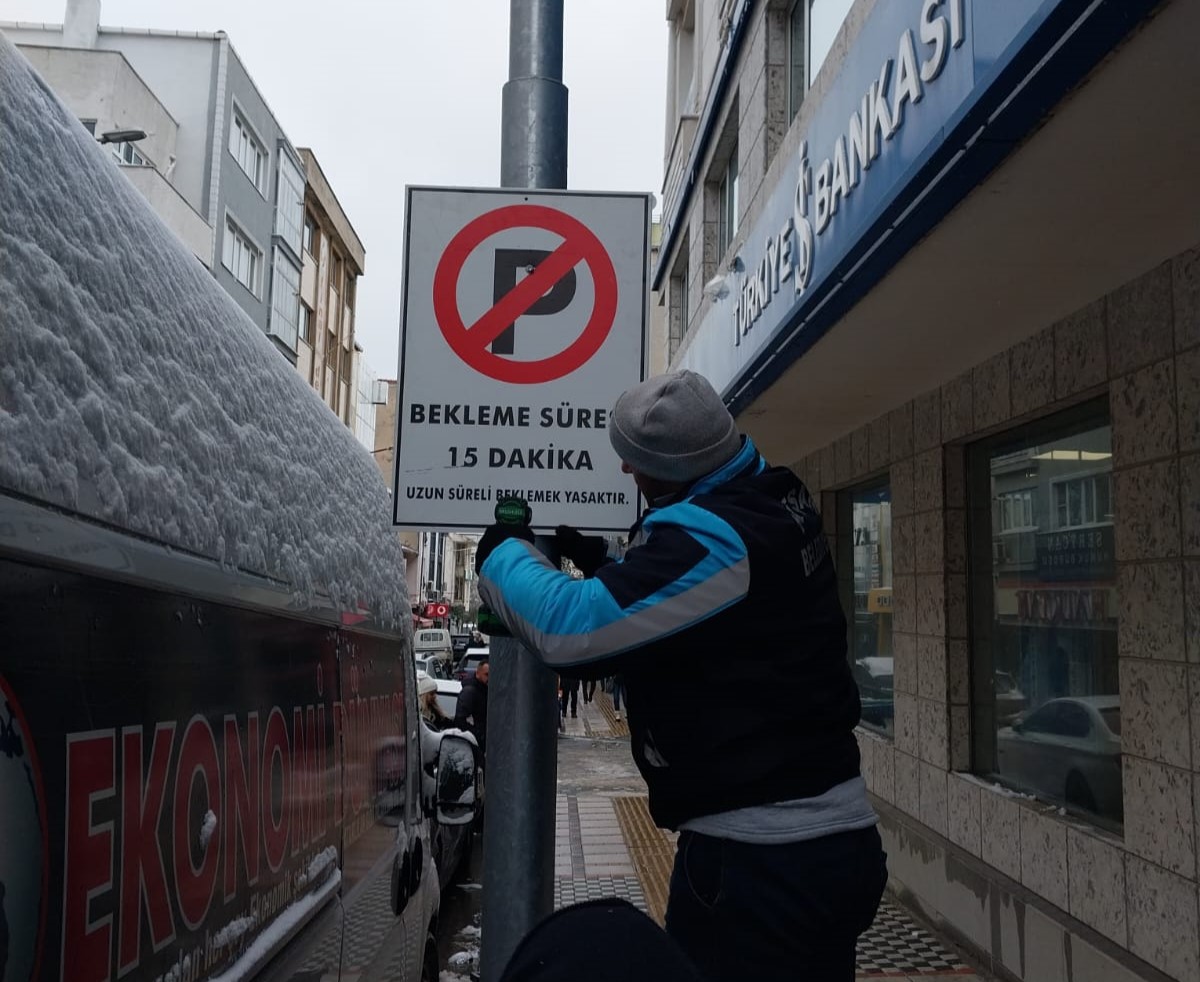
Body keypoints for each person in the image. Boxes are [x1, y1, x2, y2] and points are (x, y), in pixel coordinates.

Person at [475, 370, 886, 982]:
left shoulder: (720, 541)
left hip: (762, 864)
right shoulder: (773, 495)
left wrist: (504, 554)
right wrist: (613, 565)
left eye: (636, 463)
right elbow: (725, 615)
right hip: (827, 843)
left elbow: (571, 629)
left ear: (671, 473)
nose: (626, 474)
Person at [454, 660, 489, 754]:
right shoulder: (470, 692)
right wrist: (478, 735)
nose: (489, 678)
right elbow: (460, 720)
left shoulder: (485, 691)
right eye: (486, 674)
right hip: (474, 746)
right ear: (478, 673)